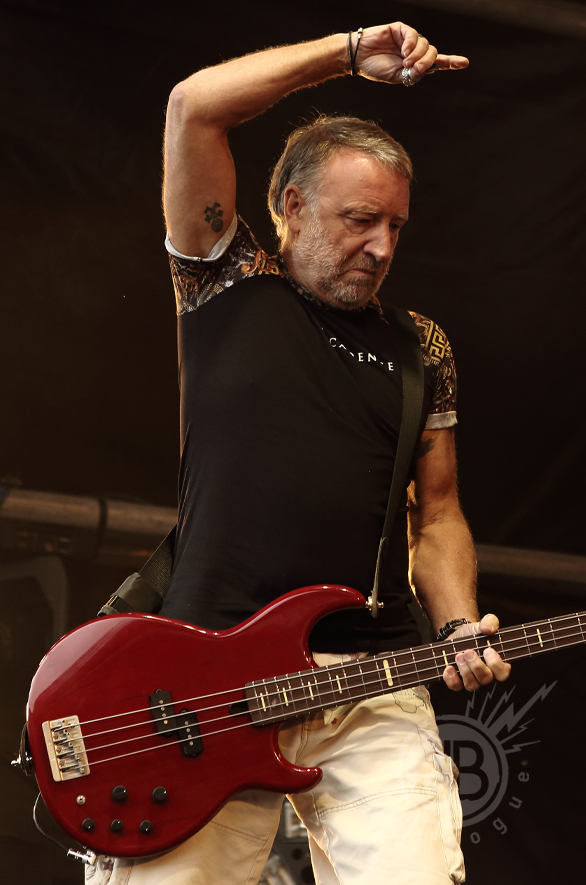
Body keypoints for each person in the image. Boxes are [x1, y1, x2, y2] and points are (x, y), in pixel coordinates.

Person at [91, 20, 511, 885]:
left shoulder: (420, 346)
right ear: (289, 205)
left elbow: (437, 515)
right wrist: (351, 54)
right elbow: (193, 107)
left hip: (370, 676)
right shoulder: (226, 282)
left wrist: (458, 622)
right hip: (206, 676)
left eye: (395, 225)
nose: (382, 246)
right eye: (359, 220)